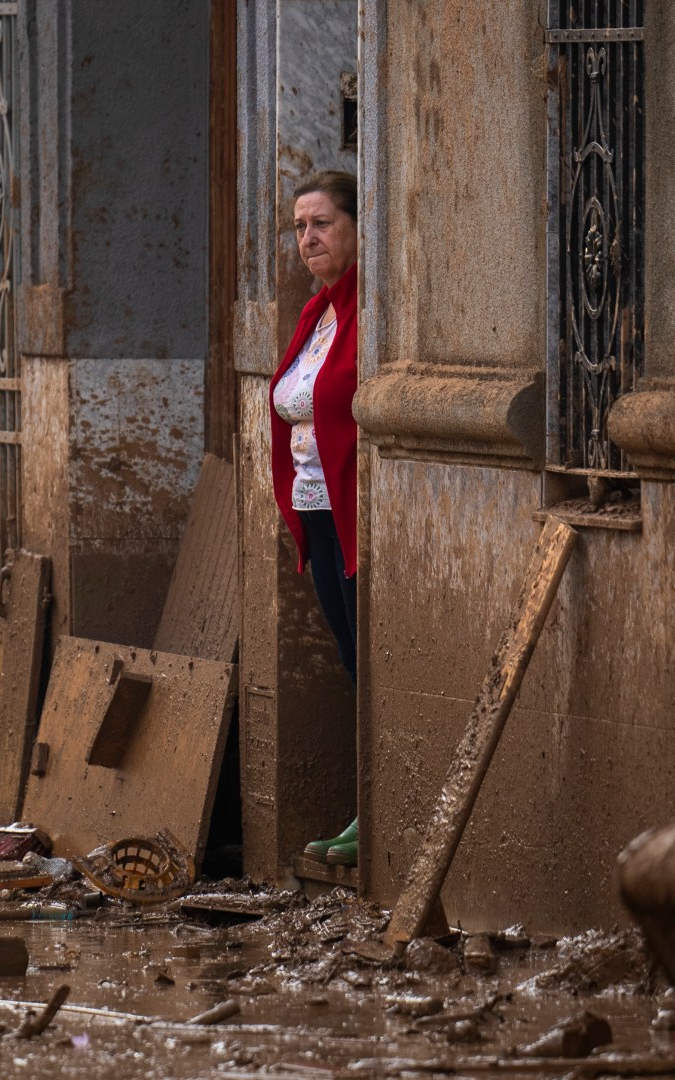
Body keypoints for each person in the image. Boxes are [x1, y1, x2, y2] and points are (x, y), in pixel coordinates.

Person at [272, 170, 362, 869]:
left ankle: (375, 811)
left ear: (359, 228)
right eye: (300, 227)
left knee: (366, 657)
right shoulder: (317, 313)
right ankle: (367, 803)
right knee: (347, 656)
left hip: (352, 511)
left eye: (322, 223)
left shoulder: (367, 309)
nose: (308, 239)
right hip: (316, 510)